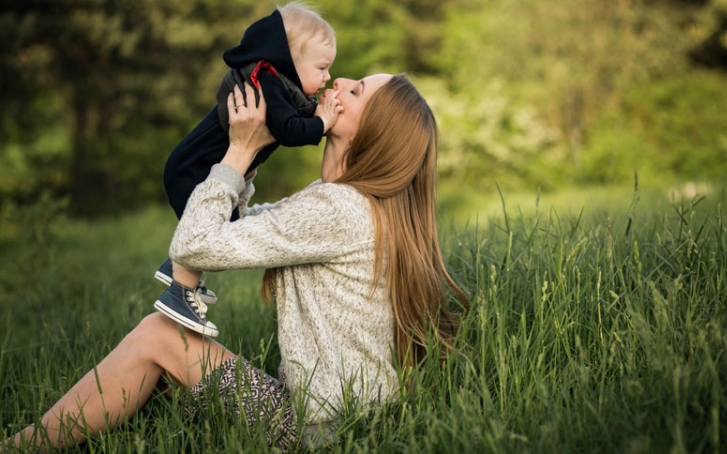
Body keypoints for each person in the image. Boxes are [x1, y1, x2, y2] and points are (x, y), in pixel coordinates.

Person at [2, 73, 467, 452]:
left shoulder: (337, 209)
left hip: (320, 437)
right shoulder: (348, 205)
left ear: (374, 132)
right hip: (345, 425)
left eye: (357, 89)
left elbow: (195, 245)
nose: (340, 81)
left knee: (160, 334)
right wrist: (257, 147)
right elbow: (237, 224)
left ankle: (21, 448)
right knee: (161, 372)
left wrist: (240, 151)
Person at [153, 1, 341, 338]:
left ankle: (177, 268)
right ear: (290, 62)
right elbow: (290, 130)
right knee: (213, 234)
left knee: (226, 226)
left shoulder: (274, 81)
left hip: (194, 166)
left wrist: (315, 112)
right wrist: (324, 121)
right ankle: (180, 292)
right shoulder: (267, 78)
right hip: (192, 170)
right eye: (322, 68)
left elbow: (291, 116)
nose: (327, 77)